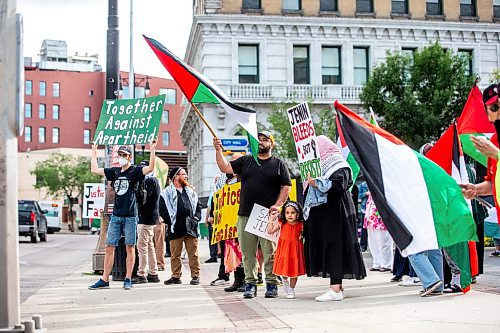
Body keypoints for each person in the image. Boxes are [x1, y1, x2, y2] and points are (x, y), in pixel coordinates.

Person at [213, 131, 292, 299]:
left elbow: (286, 186)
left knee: (269, 252)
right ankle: (250, 284)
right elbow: (225, 167)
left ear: (272, 143)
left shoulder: (278, 164)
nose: (261, 143)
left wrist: (278, 206)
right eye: (259, 140)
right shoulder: (246, 161)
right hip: (245, 214)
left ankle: (271, 284)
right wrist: (218, 150)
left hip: (267, 215)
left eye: (265, 140)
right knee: (248, 253)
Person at [303, 135, 366, 302]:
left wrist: (317, 183)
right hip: (327, 216)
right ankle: (337, 286)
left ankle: (335, 290)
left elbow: (339, 186)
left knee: (336, 247)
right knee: (331, 247)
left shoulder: (338, 165)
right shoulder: (321, 166)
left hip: (337, 215)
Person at [88, 141, 157, 290]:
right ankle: (104, 279)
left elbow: (151, 167)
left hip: (131, 216)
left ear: (130, 157)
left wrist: (152, 149)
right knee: (109, 246)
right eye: (119, 154)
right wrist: (94, 150)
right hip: (116, 216)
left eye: (124, 155)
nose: (121, 157)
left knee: (130, 247)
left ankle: (128, 279)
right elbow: (94, 169)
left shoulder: (135, 171)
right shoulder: (114, 172)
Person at [159, 166, 202, 286]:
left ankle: (195, 276)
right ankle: (176, 276)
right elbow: (162, 210)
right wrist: (171, 221)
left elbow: (198, 207)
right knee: (175, 254)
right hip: (175, 228)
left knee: (193, 253)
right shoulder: (166, 193)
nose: (186, 176)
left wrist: (196, 219)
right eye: (183, 174)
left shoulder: (191, 192)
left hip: (191, 227)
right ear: (176, 177)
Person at [267, 201, 306, 299]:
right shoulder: (282, 223)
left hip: (295, 251)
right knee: (283, 271)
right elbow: (270, 231)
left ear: (298, 214)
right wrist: (271, 220)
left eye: (292, 213)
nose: (290, 215)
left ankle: (291, 290)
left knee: (294, 271)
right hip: (283, 250)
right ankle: (285, 282)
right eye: (287, 213)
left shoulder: (301, 225)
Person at [135, 161, 161, 284]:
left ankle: (141, 273)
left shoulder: (149, 181)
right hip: (150, 218)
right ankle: (153, 272)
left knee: (142, 246)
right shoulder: (154, 180)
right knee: (149, 246)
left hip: (146, 218)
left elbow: (142, 199)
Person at [364, 195, 393, 272]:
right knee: (373, 244)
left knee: (384, 243)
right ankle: (377, 263)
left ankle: (387, 264)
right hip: (371, 219)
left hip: (381, 220)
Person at [357, 180, 369, 252]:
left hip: (374, 210)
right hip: (365, 208)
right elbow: (358, 195)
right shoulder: (363, 184)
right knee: (364, 228)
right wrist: (366, 193)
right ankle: (363, 246)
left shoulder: (377, 183)